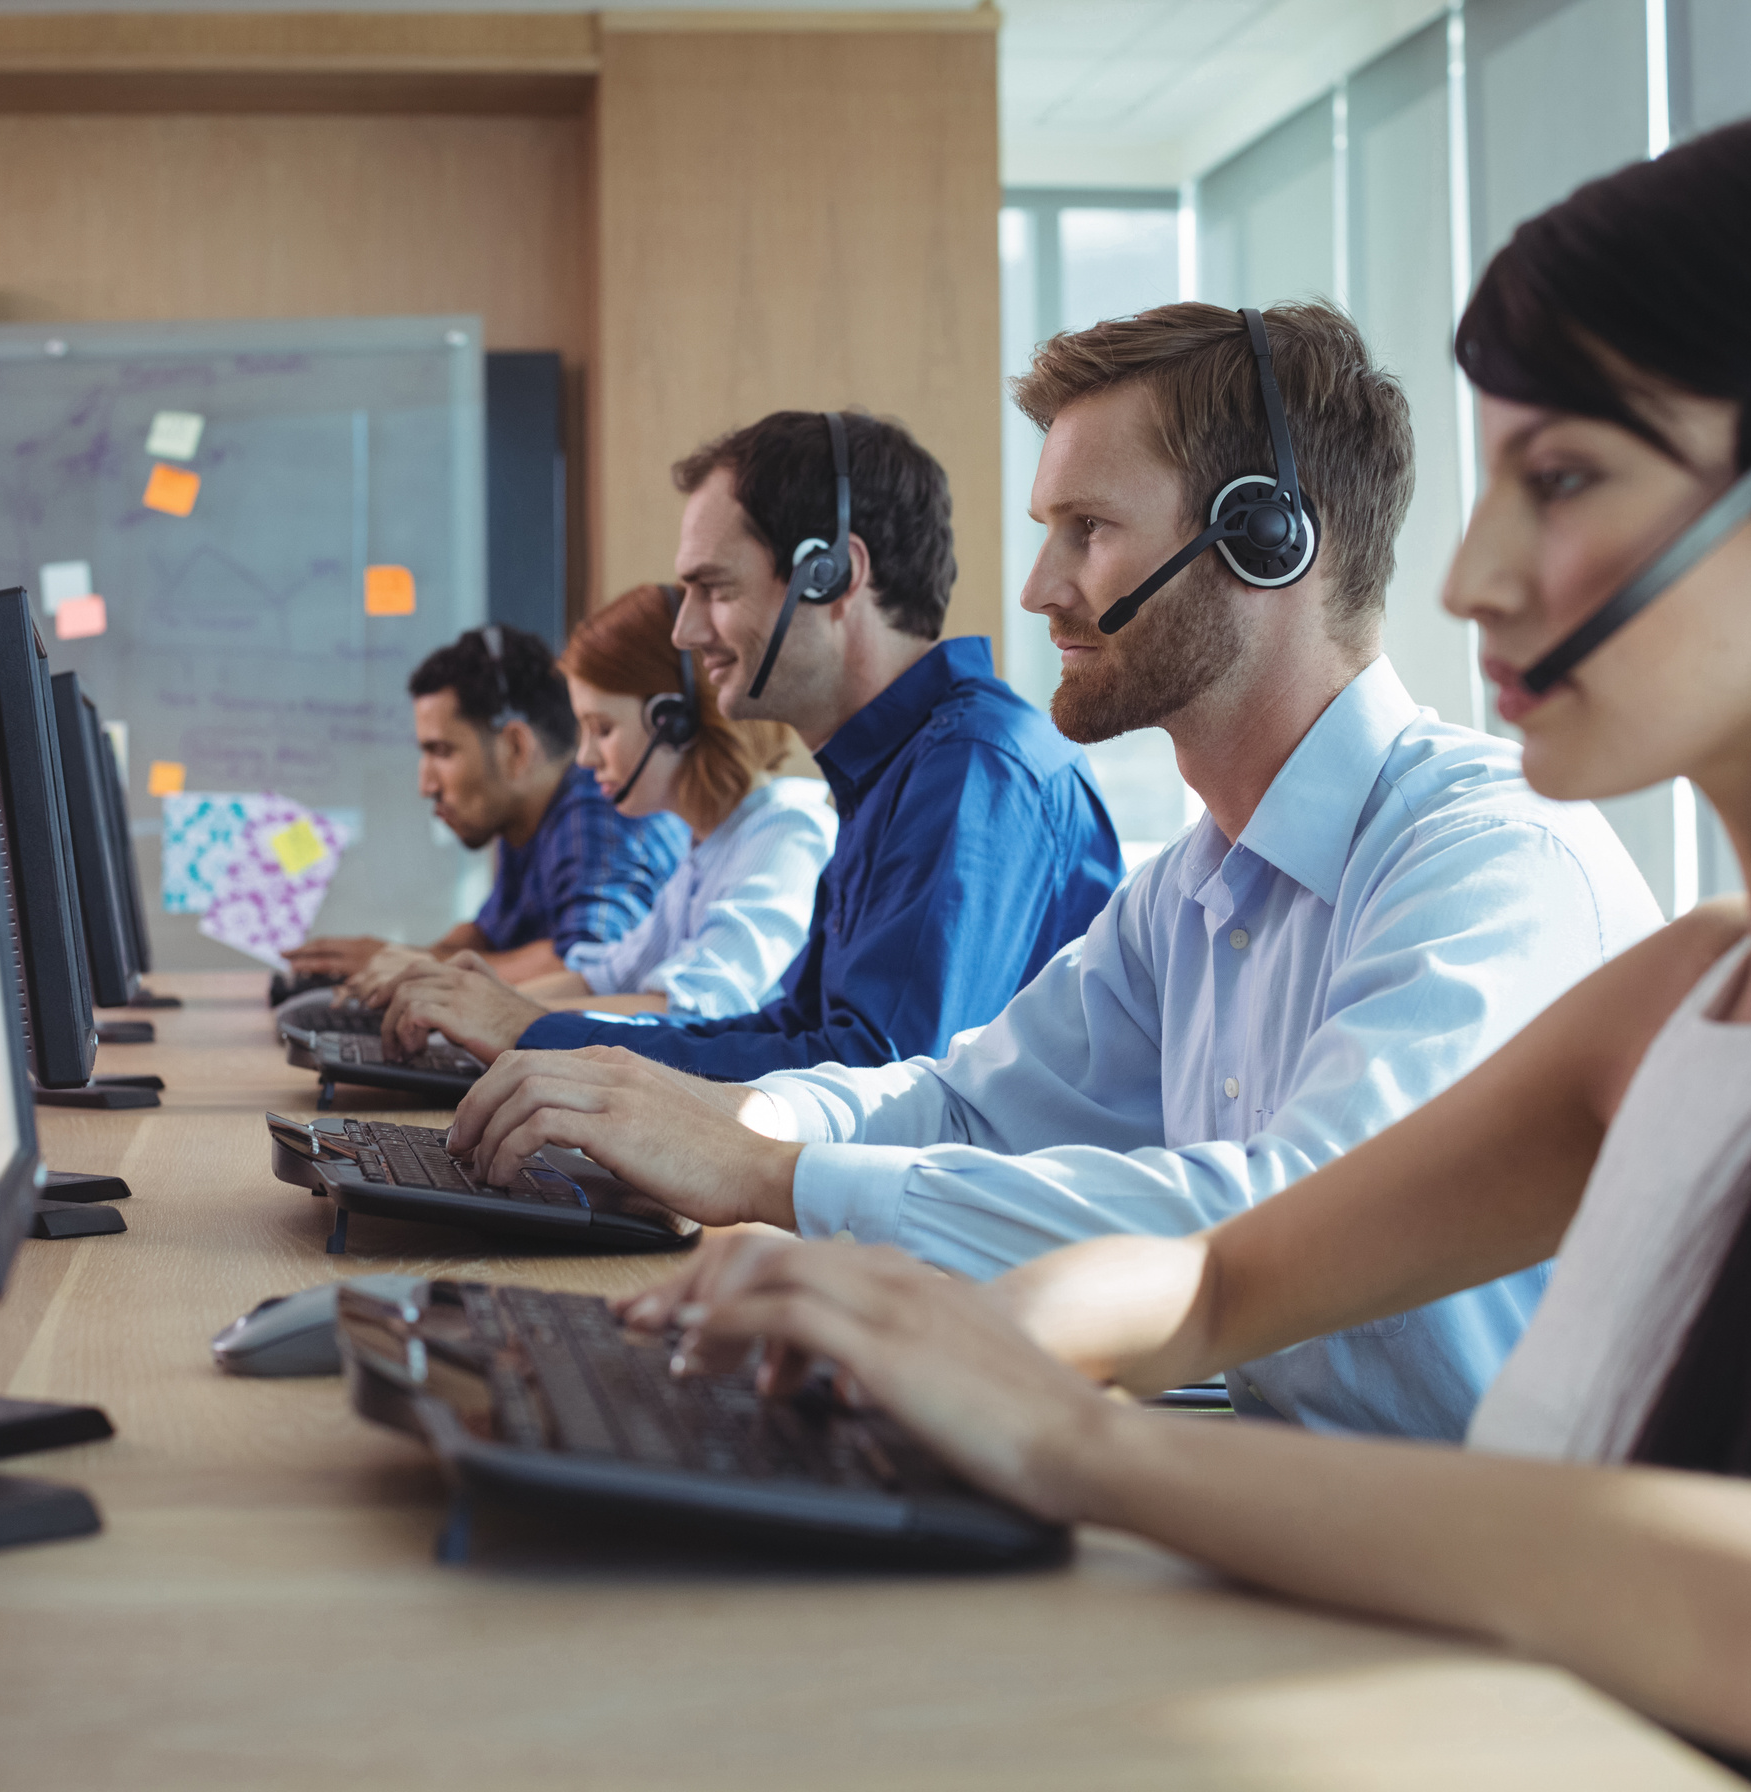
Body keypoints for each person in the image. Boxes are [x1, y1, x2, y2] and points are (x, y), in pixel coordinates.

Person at [607, 113, 1751, 1787]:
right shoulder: (1680, 999)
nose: (1476, 576)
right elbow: (1226, 1273)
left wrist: (1063, 1440)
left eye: (1559, 479)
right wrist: (895, 1339)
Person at [450, 301, 1659, 1439]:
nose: (1036, 591)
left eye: (1088, 531)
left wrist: (774, 1172)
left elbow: (1286, 1223)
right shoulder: (1192, 888)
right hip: (1279, 1499)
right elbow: (968, 1102)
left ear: (1266, 537)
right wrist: (721, 1118)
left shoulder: (1493, 861)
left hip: (1477, 1587)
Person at [496, 411, 1124, 1077]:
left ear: (832, 575)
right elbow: (794, 1030)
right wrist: (543, 1034)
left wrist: (537, 1036)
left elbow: (872, 1079)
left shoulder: (974, 768)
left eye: (714, 589)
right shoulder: (891, 771)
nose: (683, 631)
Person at [378, 583, 836, 1059]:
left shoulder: (785, 833)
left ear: (674, 721)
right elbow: (602, 976)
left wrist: (509, 1017)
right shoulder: (710, 848)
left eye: (603, 729)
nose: (585, 756)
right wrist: (468, 999)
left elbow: (692, 1009)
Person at [286, 625, 683, 999]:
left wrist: (415, 966)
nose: (426, 785)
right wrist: (397, 959)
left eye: (442, 752)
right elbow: (488, 936)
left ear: (515, 749)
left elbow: (583, 973)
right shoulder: (524, 817)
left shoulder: (597, 819)